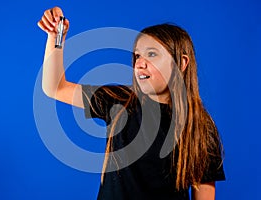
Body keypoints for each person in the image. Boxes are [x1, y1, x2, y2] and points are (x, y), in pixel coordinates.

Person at [37, 6, 225, 200]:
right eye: (137, 56)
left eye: (151, 54)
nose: (139, 63)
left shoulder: (200, 127)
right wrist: (56, 36)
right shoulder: (118, 100)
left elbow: (203, 195)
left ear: (181, 63)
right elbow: (54, 87)